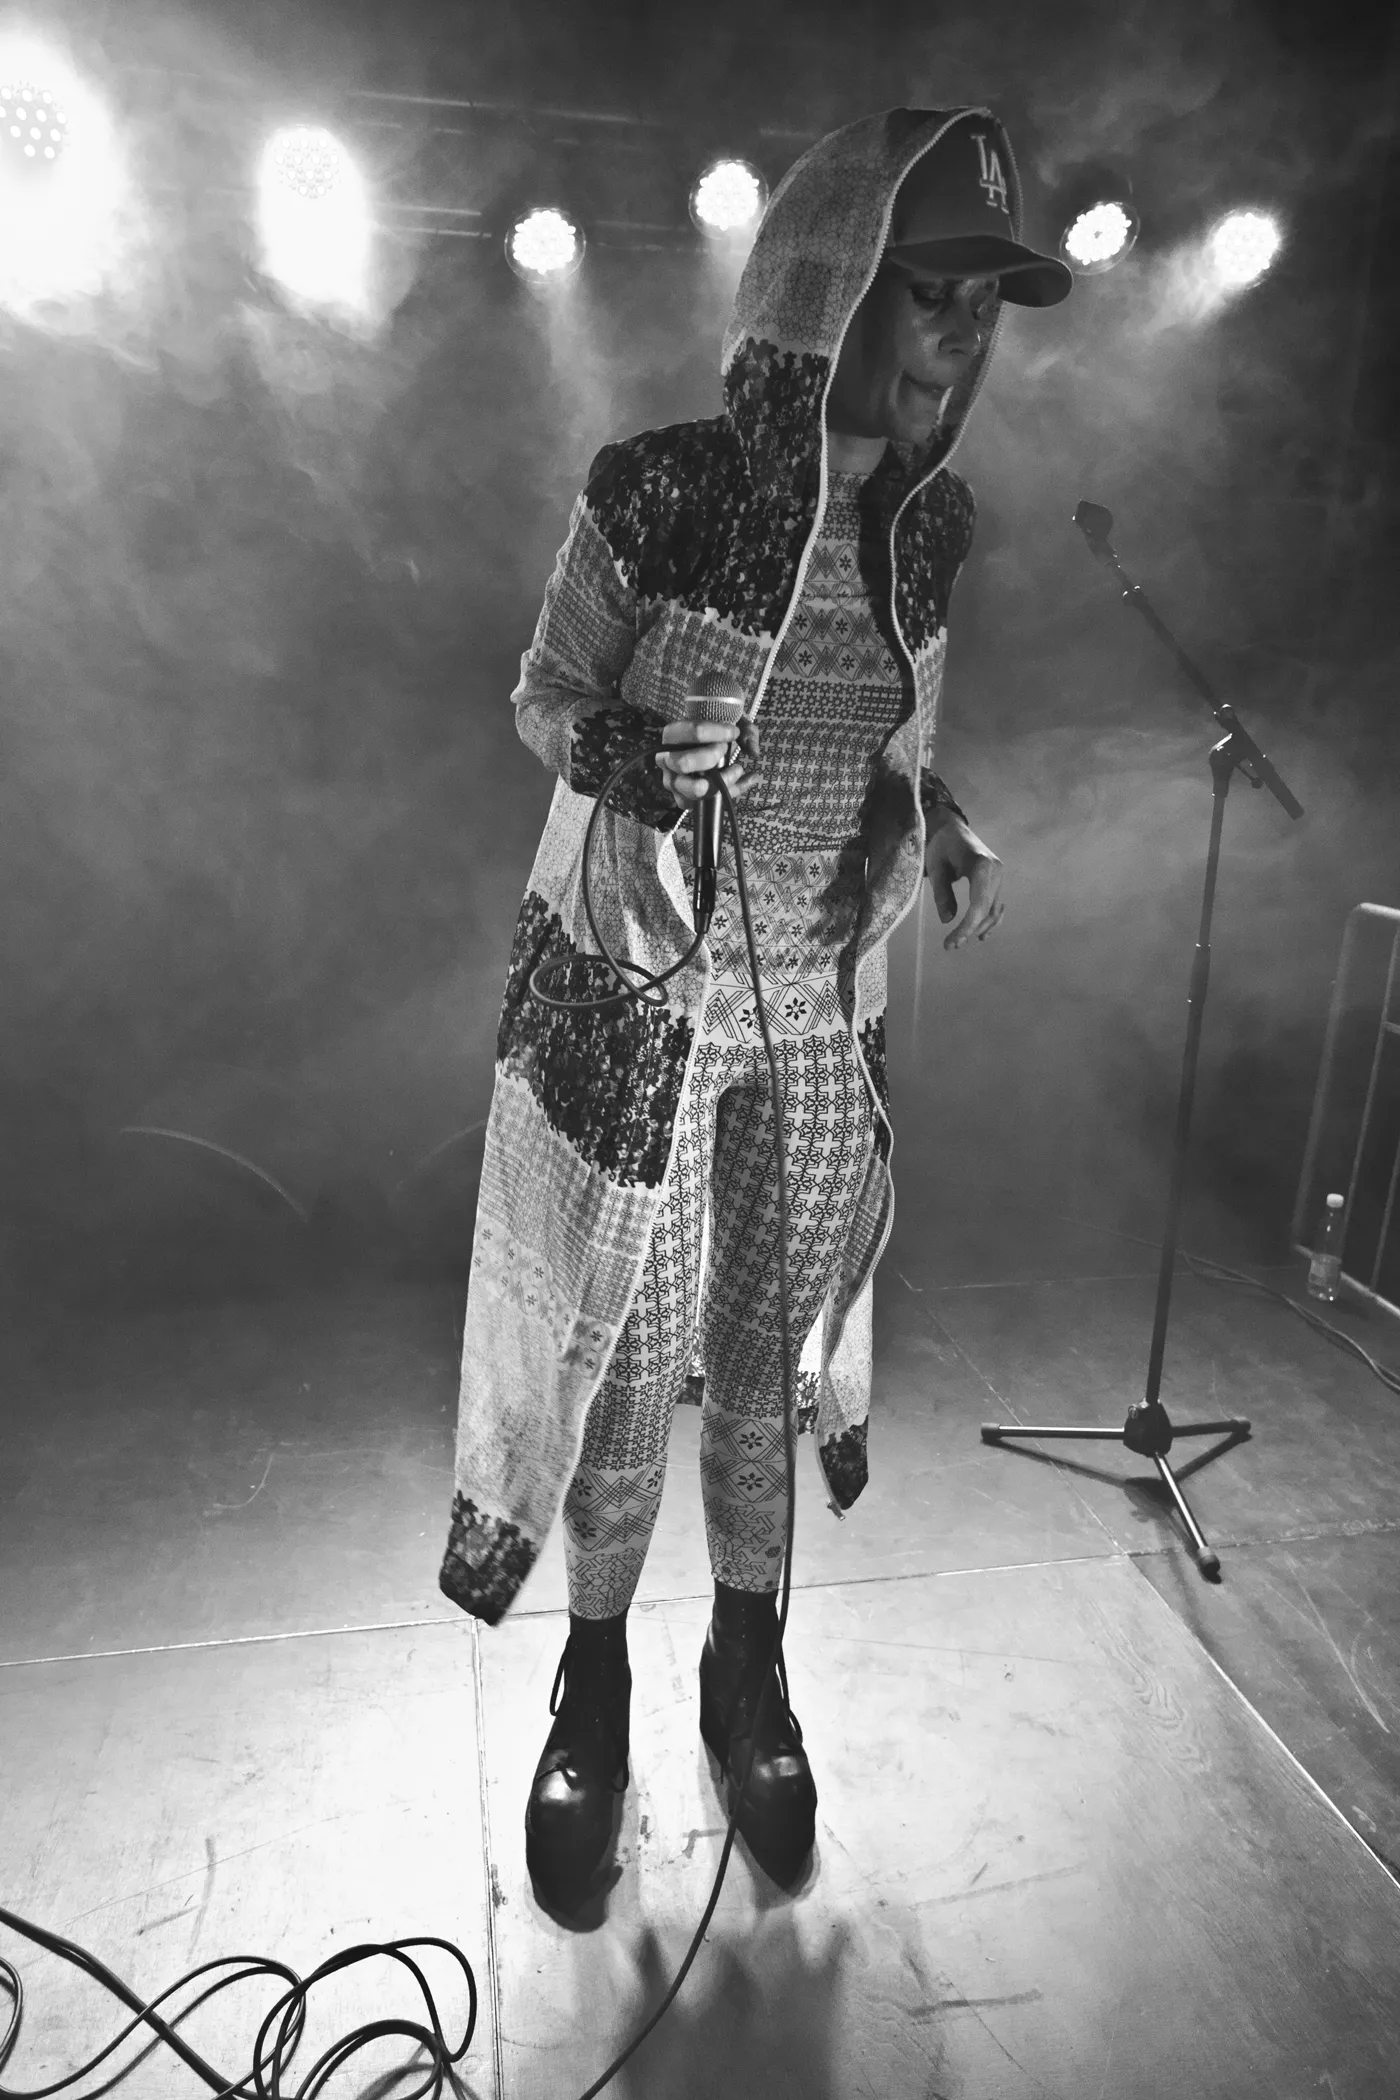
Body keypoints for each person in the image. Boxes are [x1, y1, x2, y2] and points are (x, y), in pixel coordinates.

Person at [438, 105, 1071, 1904]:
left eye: (982, 306)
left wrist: (936, 824)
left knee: (762, 1363)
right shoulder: (663, 485)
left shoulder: (932, 527)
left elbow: (896, 746)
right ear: (830, 285)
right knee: (626, 1371)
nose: (959, 335)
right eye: (931, 290)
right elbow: (544, 694)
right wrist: (639, 753)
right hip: (648, 1003)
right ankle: (594, 1683)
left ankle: (748, 1670)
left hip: (810, 995)